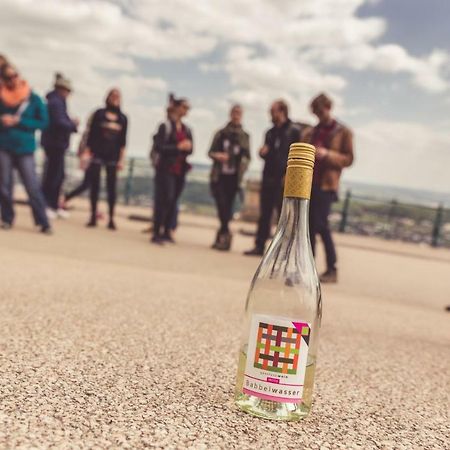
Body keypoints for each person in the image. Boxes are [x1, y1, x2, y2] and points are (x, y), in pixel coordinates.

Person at [303, 93, 354, 283]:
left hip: (326, 185)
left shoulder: (343, 132)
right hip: (309, 183)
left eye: (320, 111)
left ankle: (332, 268)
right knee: (308, 227)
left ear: (328, 107)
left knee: (321, 226)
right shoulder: (312, 131)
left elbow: (348, 159)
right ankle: (308, 268)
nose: (318, 115)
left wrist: (326, 155)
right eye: (315, 112)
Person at [244, 100, 304, 256]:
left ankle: (282, 251)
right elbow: (269, 154)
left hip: (284, 180)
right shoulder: (269, 132)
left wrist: (289, 176)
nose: (270, 115)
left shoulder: (294, 131)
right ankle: (259, 246)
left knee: (283, 216)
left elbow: (297, 155)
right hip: (268, 178)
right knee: (264, 214)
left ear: (282, 111)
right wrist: (262, 153)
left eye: (273, 111)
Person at [0, 63, 51, 233]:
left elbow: (44, 122)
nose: (12, 80)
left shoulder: (33, 98)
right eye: (8, 77)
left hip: (25, 148)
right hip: (4, 145)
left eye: (14, 76)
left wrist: (20, 121)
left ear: (19, 76)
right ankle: (7, 218)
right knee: (5, 186)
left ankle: (43, 221)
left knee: (32, 186)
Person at [82, 88, 127, 230]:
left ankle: (111, 218)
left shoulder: (123, 118)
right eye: (112, 96)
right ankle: (93, 215)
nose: (115, 98)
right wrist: (87, 153)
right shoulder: (99, 114)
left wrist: (121, 159)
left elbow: (123, 141)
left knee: (111, 188)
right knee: (94, 186)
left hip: (112, 156)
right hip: (97, 153)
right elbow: (91, 135)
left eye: (117, 96)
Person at [151, 96, 193, 244]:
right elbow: (159, 147)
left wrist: (187, 148)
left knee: (173, 200)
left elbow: (190, 149)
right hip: (166, 169)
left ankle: (167, 231)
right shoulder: (165, 126)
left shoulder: (187, 129)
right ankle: (157, 231)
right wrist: (178, 147)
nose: (186, 111)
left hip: (180, 170)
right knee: (165, 199)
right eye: (184, 107)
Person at [209, 104, 250, 251]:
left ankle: (223, 234)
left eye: (238, 113)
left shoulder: (244, 136)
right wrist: (218, 156)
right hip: (220, 176)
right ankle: (225, 232)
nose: (236, 115)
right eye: (234, 112)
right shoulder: (220, 133)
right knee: (221, 206)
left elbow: (247, 157)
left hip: (234, 178)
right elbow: (211, 152)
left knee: (228, 207)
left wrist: (242, 166)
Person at [41, 73, 78, 219]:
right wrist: (73, 125)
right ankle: (47, 205)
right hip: (55, 144)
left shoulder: (57, 101)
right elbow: (59, 122)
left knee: (58, 175)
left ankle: (53, 205)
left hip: (56, 144)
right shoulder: (56, 102)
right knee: (53, 176)